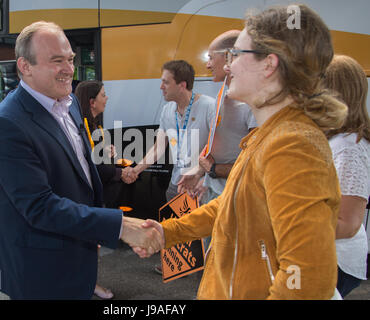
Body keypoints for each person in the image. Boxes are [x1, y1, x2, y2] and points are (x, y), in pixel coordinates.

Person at [137, 4, 348, 299]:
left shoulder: (292, 146)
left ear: (269, 64)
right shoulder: (269, 136)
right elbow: (232, 205)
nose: (228, 66)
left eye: (236, 55)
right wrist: (168, 232)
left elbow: (308, 278)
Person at [0, 21, 162, 299]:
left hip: (78, 249)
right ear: (25, 66)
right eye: (57, 61)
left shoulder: (68, 104)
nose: (69, 69)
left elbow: (81, 171)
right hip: (39, 268)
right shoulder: (7, 124)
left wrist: (94, 227)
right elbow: (39, 206)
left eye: (70, 59)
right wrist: (119, 226)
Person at [178, 30, 257, 205]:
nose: (207, 65)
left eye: (211, 58)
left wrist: (213, 169)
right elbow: (218, 143)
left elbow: (256, 166)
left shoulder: (252, 102)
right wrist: (200, 172)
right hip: (215, 192)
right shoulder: (223, 95)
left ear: (230, 57)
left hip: (237, 197)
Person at [74, 80, 133, 299]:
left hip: (94, 197)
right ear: (92, 101)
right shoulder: (81, 127)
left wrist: (107, 151)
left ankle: (88, 282)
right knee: (88, 243)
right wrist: (120, 173)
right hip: (86, 197)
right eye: (103, 95)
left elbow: (96, 159)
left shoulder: (94, 125)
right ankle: (89, 284)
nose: (106, 98)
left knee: (91, 243)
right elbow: (93, 168)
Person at [128, 60, 215, 202]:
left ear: (182, 85)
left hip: (201, 185)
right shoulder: (167, 110)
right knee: (174, 222)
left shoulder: (209, 107)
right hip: (176, 184)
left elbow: (217, 149)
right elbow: (159, 148)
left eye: (166, 82)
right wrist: (135, 170)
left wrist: (204, 179)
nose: (161, 87)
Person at [324, 55, 370, 297]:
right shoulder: (336, 139)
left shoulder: (349, 147)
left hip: (338, 260)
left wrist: (291, 229)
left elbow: (348, 223)